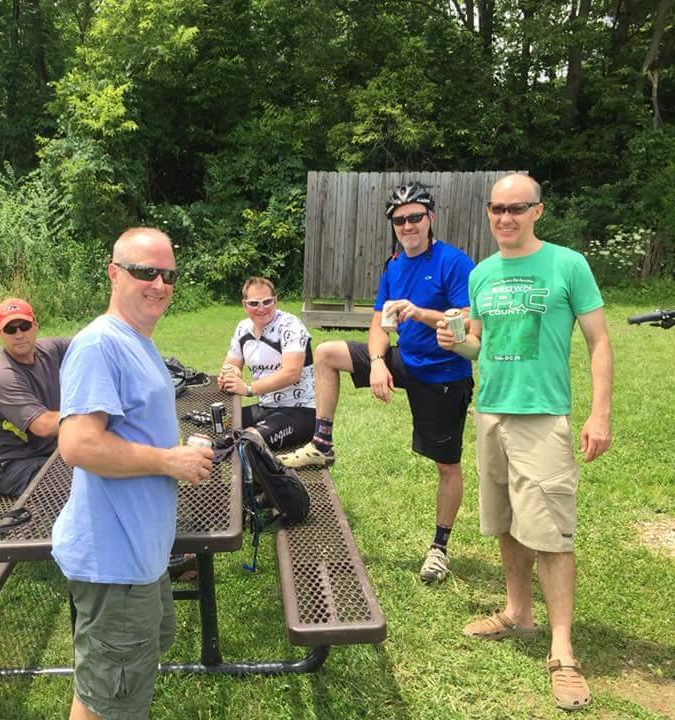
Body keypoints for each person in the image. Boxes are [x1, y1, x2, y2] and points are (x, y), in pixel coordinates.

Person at [436, 173, 612, 712]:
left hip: (543, 418)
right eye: (496, 208)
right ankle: (518, 614)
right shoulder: (483, 274)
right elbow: (482, 346)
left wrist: (599, 412)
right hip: (490, 413)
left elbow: (599, 341)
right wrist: (458, 342)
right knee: (507, 521)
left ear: (538, 211)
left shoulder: (567, 264)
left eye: (516, 208)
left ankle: (563, 651)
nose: (505, 217)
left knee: (552, 535)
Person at [52, 228, 214, 720]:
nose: (160, 284)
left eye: (168, 274)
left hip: (138, 555)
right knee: (113, 700)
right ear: (114, 273)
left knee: (109, 686)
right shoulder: (100, 344)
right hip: (113, 562)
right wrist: (170, 461)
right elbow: (77, 444)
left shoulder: (137, 340)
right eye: (146, 272)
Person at [280, 182, 475, 584]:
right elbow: (379, 322)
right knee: (328, 353)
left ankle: (439, 547)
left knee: (446, 465)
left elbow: (468, 323)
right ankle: (322, 443)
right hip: (405, 359)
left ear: (430, 219)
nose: (407, 225)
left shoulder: (454, 262)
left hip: (443, 373)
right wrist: (379, 362)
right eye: (399, 220)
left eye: (415, 217)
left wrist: (420, 313)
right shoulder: (394, 266)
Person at [0, 297, 70, 498]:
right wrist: (94, 414)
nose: (19, 334)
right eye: (10, 329)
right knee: (79, 482)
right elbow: (43, 425)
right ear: (0, 334)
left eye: (24, 326)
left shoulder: (49, 349)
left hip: (40, 451)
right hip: (6, 464)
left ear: (35, 325)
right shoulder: (1, 376)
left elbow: (89, 347)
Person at [217, 277, 316, 450]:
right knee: (216, 425)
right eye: (254, 303)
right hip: (265, 408)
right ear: (244, 305)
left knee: (248, 443)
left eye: (267, 302)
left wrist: (248, 389)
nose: (261, 308)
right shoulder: (243, 328)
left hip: (300, 411)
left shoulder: (290, 325)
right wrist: (229, 374)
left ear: (275, 301)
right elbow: (231, 364)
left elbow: (292, 373)